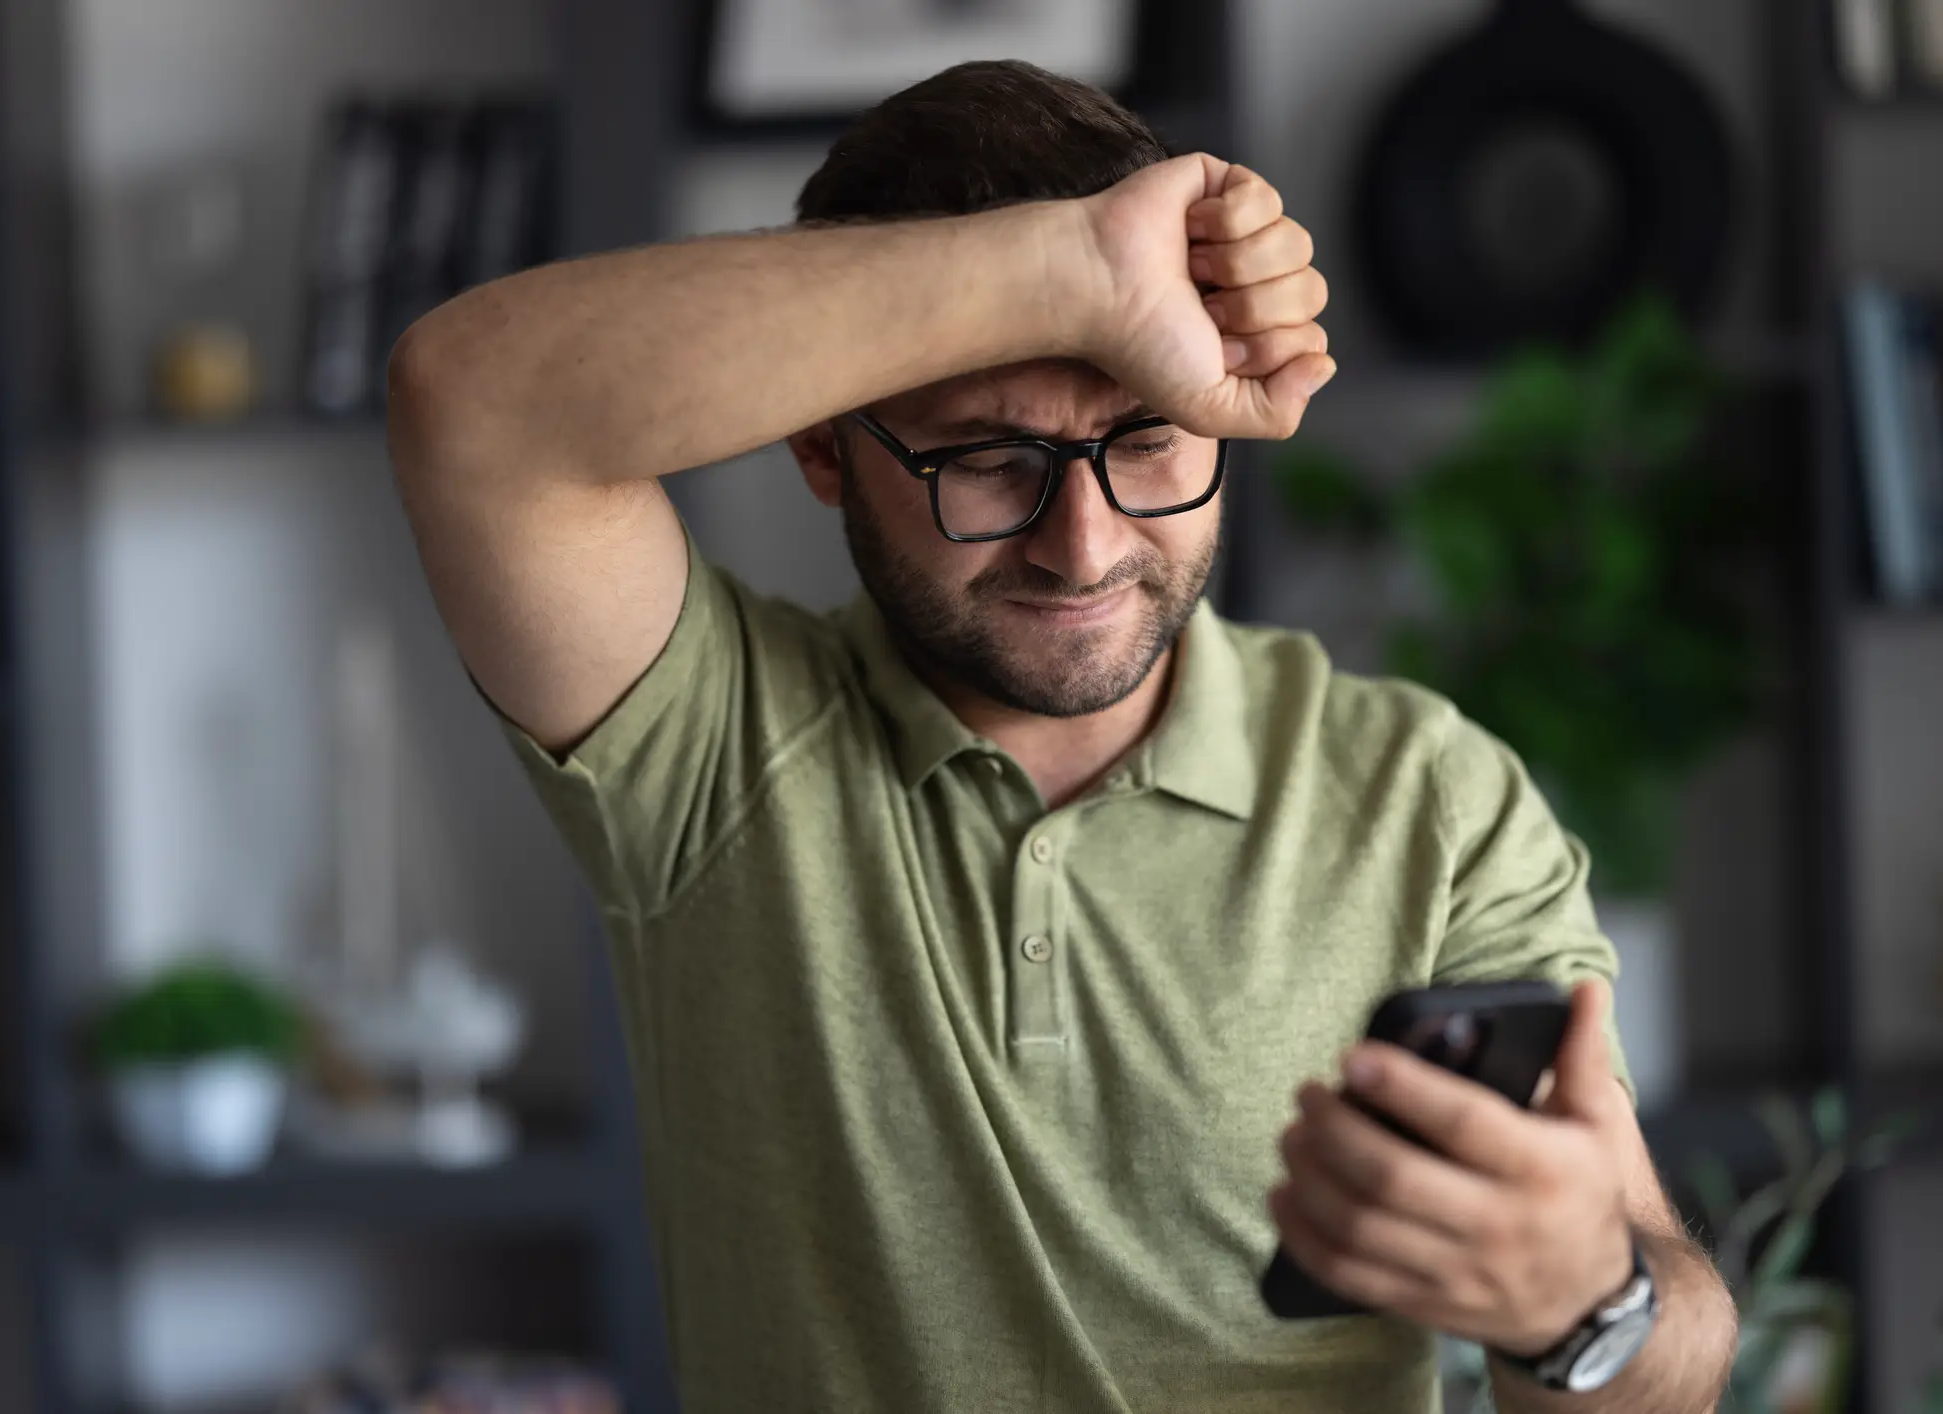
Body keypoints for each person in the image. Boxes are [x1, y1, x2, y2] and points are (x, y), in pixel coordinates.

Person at [387, 58, 1737, 1414]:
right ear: (823, 449)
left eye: (1146, 438)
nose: (1081, 544)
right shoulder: (710, 747)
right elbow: (471, 402)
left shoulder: (1424, 797)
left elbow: (1671, 1361)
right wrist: (1085, 267)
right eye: (987, 457)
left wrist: (1584, 1303)